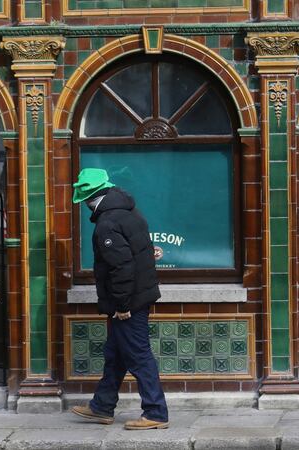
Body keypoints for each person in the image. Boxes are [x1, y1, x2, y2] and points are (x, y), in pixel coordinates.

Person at [69, 168, 169, 430]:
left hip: (128, 302)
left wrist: (123, 306)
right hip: (138, 295)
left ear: (91, 198)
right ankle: (102, 406)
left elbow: (122, 267)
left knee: (138, 355)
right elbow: (140, 250)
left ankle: (156, 412)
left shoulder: (107, 224)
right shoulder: (129, 212)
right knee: (115, 354)